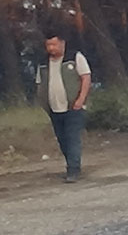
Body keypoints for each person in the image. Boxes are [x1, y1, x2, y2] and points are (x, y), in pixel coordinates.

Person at [36, 29, 92, 183]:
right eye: (48, 45)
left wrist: (80, 100)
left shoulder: (74, 57)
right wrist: (44, 104)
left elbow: (86, 78)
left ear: (62, 43)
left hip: (73, 106)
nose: (51, 48)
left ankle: (73, 170)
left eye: (54, 44)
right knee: (62, 139)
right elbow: (40, 84)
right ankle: (72, 164)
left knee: (73, 137)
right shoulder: (43, 63)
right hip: (54, 108)